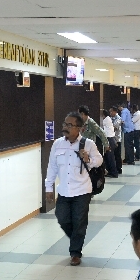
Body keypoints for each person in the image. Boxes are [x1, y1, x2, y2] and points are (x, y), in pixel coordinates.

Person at [45, 112, 103, 266]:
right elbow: (51, 167)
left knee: (79, 221)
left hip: (82, 190)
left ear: (80, 128)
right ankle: (76, 239)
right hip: (64, 190)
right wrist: (48, 188)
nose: (65, 127)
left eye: (70, 125)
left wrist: (88, 159)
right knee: (62, 217)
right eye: (65, 124)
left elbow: (99, 160)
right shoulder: (57, 144)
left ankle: (75, 252)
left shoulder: (88, 144)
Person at [100, 109, 119, 178]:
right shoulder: (108, 119)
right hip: (111, 139)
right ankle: (111, 171)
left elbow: (99, 126)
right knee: (109, 157)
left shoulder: (106, 120)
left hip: (109, 140)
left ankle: (114, 173)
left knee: (110, 158)